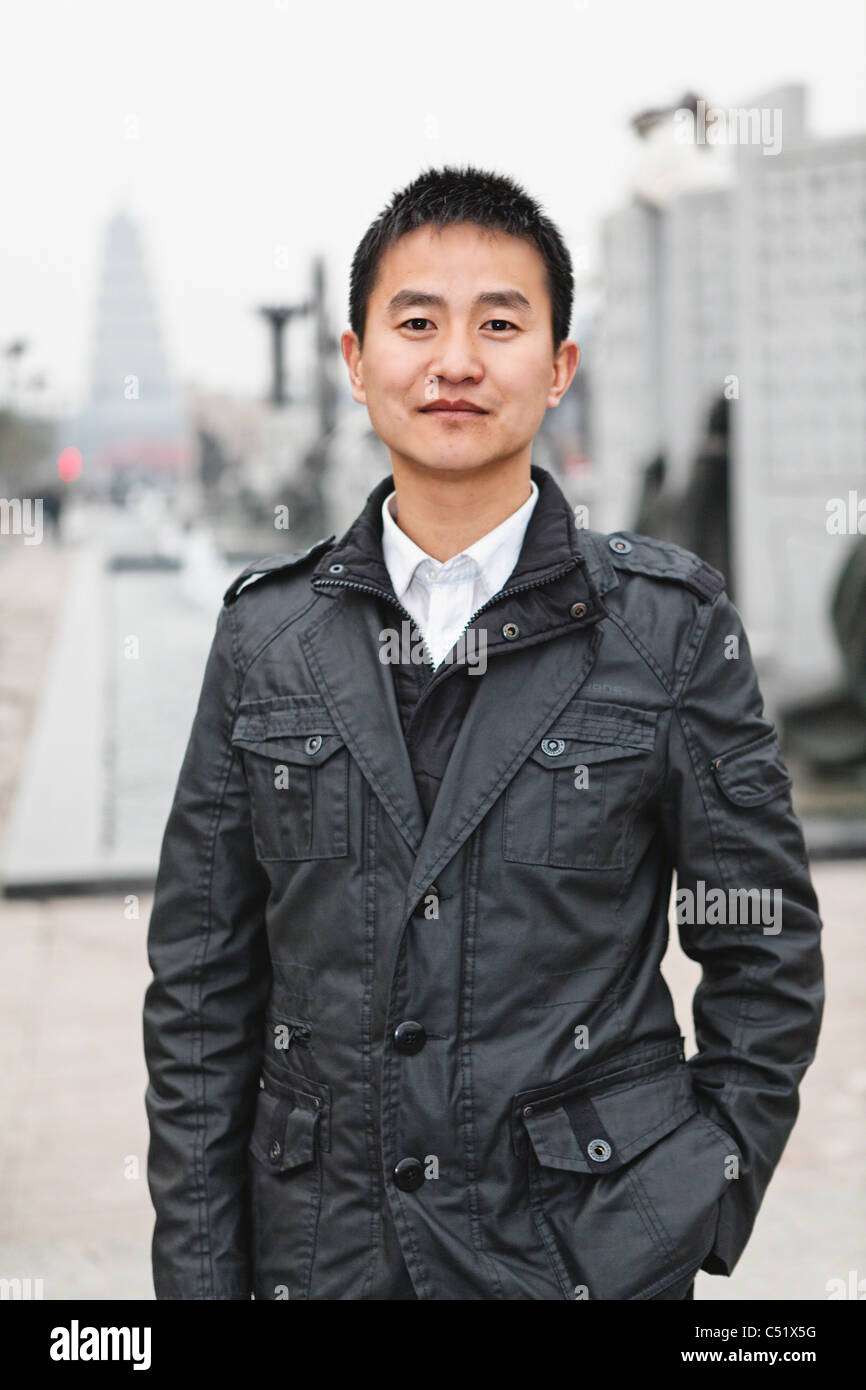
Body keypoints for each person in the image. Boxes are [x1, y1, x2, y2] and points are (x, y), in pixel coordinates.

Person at [142, 165, 824, 1301]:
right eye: (416, 322)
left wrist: (691, 1195)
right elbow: (201, 996)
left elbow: (762, 946)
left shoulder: (666, 626)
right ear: (356, 363)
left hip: (576, 1258)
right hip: (322, 1258)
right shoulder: (266, 640)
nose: (455, 361)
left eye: (498, 323)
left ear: (557, 366)